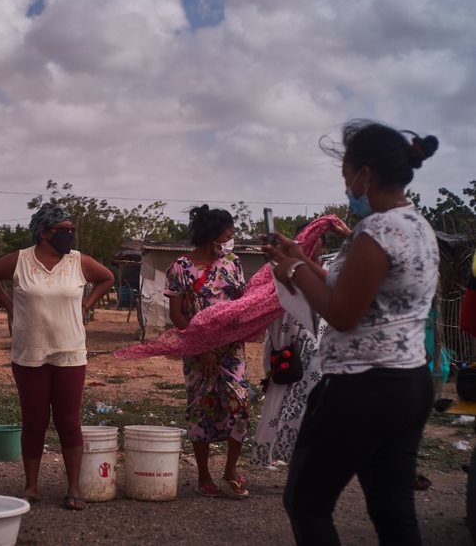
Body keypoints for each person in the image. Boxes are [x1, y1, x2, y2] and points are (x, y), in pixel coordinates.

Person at [265, 120, 440, 545]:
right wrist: (303, 263)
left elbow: (342, 313)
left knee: (307, 503)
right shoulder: (418, 226)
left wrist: (290, 270)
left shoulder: (375, 231)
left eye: (348, 178)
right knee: (392, 510)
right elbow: (356, 290)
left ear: (366, 174)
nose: (348, 189)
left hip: (362, 388)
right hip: (409, 383)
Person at [0, 203, 114, 511]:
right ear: (44, 233)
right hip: (29, 351)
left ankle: (74, 488)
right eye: (64, 230)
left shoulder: (78, 262)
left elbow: (106, 278)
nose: (70, 235)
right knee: (34, 421)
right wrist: (10, 305)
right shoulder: (20, 260)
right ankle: (31, 486)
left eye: (72, 230)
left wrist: (86, 305)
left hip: (70, 351)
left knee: (68, 421)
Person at [164, 205, 249, 498]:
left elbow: (242, 303)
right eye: (228, 235)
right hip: (198, 352)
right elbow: (177, 315)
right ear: (212, 236)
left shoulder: (233, 263)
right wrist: (202, 348)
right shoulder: (180, 268)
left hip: (231, 349)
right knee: (202, 408)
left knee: (240, 404)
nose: (231, 240)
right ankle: (204, 476)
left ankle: (231, 470)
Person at [250, 222, 349, 467]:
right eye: (308, 239)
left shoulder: (329, 269)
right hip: (290, 343)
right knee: (282, 394)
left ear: (323, 245)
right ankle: (269, 452)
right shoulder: (282, 268)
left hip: (320, 349)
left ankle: (300, 454)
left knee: (311, 402)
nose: (312, 245)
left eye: (318, 241)